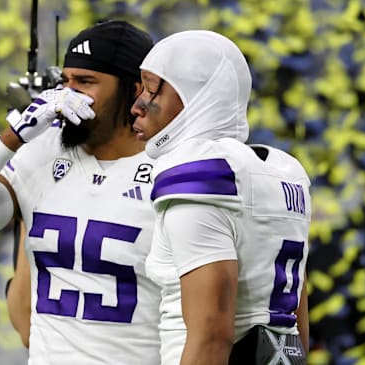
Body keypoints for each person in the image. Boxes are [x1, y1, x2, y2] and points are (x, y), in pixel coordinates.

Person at [0, 20, 161, 364]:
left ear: (135, 90)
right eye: (64, 82)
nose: (67, 96)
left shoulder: (172, 166)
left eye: (85, 82)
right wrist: (10, 140)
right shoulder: (43, 152)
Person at [130, 30, 311, 364]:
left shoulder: (201, 173)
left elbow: (212, 334)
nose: (137, 105)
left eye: (151, 88)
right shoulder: (283, 172)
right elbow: (295, 326)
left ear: (194, 95)